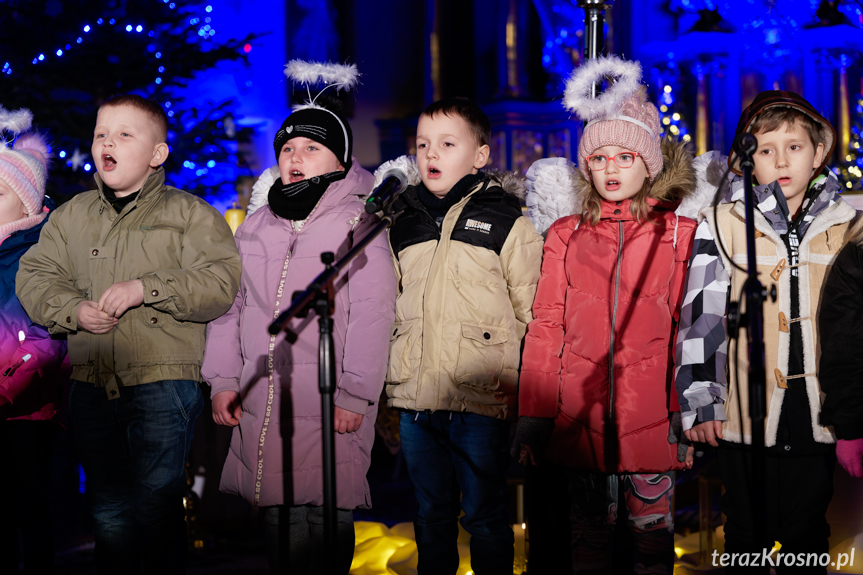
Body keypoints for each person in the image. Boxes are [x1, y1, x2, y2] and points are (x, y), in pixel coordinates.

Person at [16, 94, 241, 575]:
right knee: (108, 509)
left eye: (124, 134)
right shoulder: (71, 216)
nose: (107, 143)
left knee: (157, 505)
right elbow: (36, 276)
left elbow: (221, 283)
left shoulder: (190, 214)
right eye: (101, 134)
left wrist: (147, 287)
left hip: (164, 383)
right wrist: (72, 309)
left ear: (157, 154)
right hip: (92, 384)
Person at [202, 61, 396, 575]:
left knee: (325, 515)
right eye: (287, 148)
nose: (295, 156)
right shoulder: (257, 225)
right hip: (266, 395)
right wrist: (222, 380)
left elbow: (375, 315)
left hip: (330, 398)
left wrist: (356, 393)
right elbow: (231, 306)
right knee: (279, 514)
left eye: (311, 147)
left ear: (340, 160)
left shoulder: (360, 223)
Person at [513, 56, 696, 574]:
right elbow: (546, 326)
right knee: (588, 539)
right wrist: (533, 417)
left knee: (652, 541)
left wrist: (691, 410)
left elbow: (692, 329)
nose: (611, 169)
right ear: (585, 166)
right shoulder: (565, 235)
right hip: (580, 417)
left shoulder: (679, 234)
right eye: (600, 158)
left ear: (649, 164)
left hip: (654, 419)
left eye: (624, 156)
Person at [674, 90, 857, 571]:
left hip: (817, 411)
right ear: (744, 161)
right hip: (745, 411)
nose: (780, 160)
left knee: (807, 531)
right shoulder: (722, 222)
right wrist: (702, 399)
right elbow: (702, 316)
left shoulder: (847, 227)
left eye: (794, 147)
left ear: (818, 153)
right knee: (745, 533)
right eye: (765, 149)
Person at [384, 96, 543, 575]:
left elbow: (529, 310)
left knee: (485, 516)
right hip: (416, 398)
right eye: (423, 145)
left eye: (447, 144)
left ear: (480, 155)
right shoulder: (401, 221)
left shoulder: (507, 219)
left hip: (481, 398)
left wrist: (523, 398)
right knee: (430, 516)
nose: (431, 154)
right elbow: (390, 307)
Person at [0, 107, 69, 575]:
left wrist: (7, 388)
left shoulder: (38, 253)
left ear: (26, 203)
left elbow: (46, 339)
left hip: (26, 407)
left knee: (28, 504)